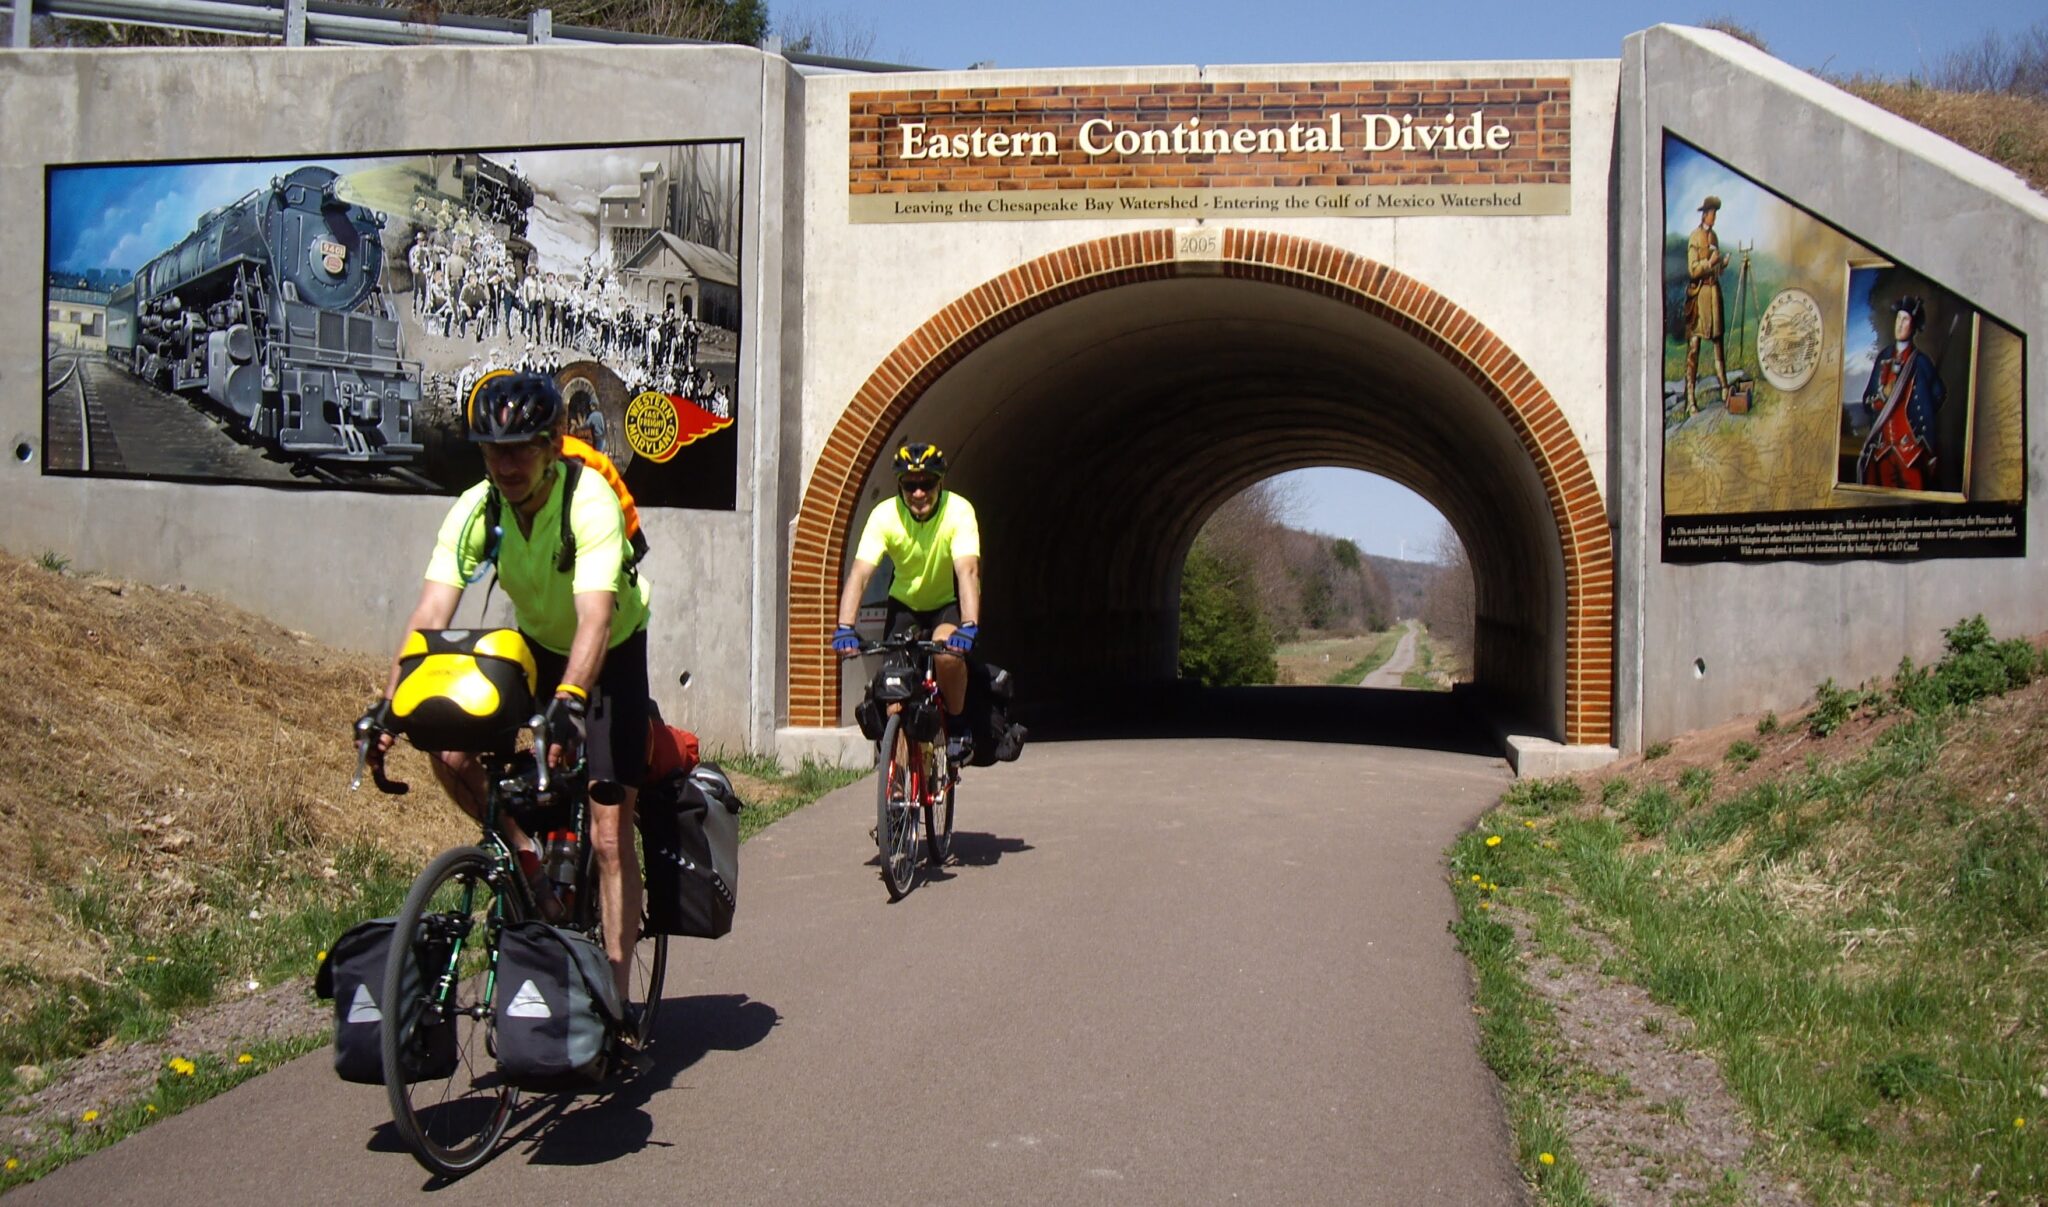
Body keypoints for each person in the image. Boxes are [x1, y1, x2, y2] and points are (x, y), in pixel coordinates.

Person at [365, 371, 652, 1007]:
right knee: (450, 750)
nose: (508, 463)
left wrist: (571, 704)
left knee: (608, 833)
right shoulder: (478, 506)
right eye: (495, 450)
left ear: (552, 444)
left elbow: (597, 619)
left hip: (609, 651)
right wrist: (392, 706)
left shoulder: (589, 501)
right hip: (537, 646)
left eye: (522, 446)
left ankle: (615, 996)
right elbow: (430, 615)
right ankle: (527, 862)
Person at [832, 443, 982, 761]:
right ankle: (897, 787)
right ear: (900, 485)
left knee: (948, 654)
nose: (918, 493)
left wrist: (969, 625)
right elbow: (860, 574)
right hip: (903, 607)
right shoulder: (884, 516)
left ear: (939, 483)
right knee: (893, 690)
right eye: (910, 485)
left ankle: (956, 726)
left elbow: (968, 570)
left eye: (926, 483)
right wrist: (845, 626)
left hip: (945, 604)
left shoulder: (958, 511)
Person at [1856, 294, 1946, 491]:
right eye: (1898, 318)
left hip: (1911, 453)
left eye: (1905, 320)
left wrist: (1919, 412)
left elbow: (1938, 395)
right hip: (1881, 452)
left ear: (1913, 326)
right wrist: (1883, 397)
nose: (1899, 324)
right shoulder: (1883, 359)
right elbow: (1867, 402)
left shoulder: (1921, 362)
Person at [1683, 195, 1731, 417]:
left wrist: (1721, 265)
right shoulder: (1695, 236)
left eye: (1716, 214)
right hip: (1700, 296)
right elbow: (1693, 270)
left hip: (1714, 294)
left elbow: (1716, 269)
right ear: (1705, 214)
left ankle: (1724, 387)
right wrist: (1708, 263)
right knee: (1694, 348)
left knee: (1718, 342)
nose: (1715, 217)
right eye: (1713, 213)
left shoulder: (1715, 236)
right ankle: (1690, 399)